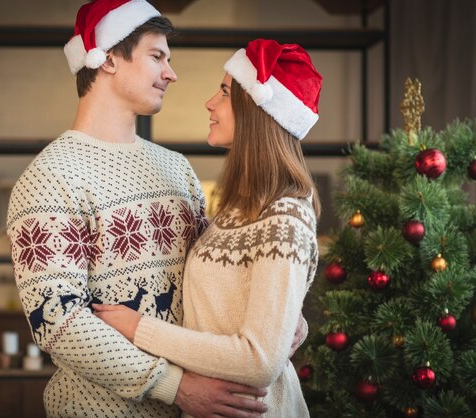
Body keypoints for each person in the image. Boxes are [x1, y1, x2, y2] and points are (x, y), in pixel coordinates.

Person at [7, 1, 268, 417]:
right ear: (108, 59)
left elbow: (218, 275)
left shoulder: (176, 168)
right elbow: (58, 320)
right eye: (156, 56)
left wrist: (279, 322)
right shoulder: (52, 176)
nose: (171, 72)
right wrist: (176, 387)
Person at [94, 39, 323, 418]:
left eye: (224, 92)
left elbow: (259, 361)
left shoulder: (284, 218)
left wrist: (138, 328)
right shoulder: (236, 210)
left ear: (256, 110)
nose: (210, 103)